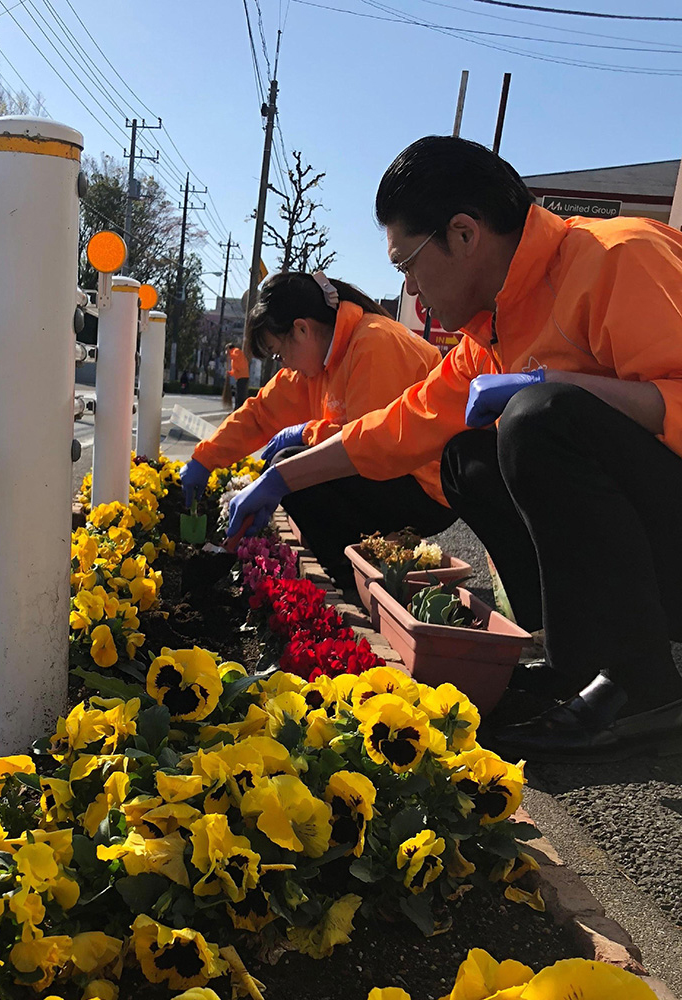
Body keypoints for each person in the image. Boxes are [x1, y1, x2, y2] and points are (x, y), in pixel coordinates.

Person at [226, 135, 682, 763]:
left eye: (407, 264)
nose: (411, 290)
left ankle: (644, 687)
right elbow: (402, 425)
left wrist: (559, 385)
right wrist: (281, 479)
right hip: (652, 534)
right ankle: (579, 665)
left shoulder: (616, 258)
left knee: (537, 418)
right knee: (468, 454)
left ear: (464, 234)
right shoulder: (492, 328)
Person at [179, 271, 455, 588]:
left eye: (279, 352)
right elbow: (260, 414)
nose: (283, 364)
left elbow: (371, 444)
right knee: (285, 462)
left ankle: (349, 577)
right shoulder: (317, 362)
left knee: (289, 463)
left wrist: (303, 436)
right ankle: (346, 565)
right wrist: (204, 459)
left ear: (301, 329)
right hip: (389, 478)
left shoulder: (375, 344)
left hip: (429, 488)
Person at [227, 342, 250, 408]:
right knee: (238, 394)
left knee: (240, 395)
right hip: (240, 376)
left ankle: (239, 407)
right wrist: (230, 373)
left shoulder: (236, 351)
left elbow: (235, 357)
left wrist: (229, 354)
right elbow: (236, 369)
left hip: (243, 376)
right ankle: (237, 407)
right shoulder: (233, 357)